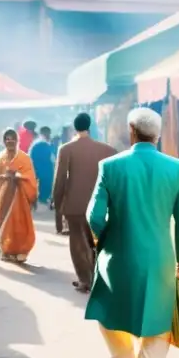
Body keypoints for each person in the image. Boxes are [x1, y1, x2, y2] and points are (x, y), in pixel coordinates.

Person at [86, 108, 179, 358]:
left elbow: (94, 216)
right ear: (157, 134)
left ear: (131, 131)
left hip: (117, 258)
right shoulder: (176, 168)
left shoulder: (110, 166)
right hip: (160, 260)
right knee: (158, 326)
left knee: (108, 316)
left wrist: (104, 241)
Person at [52, 113, 115, 294]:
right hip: (100, 205)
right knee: (98, 242)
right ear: (90, 126)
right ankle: (100, 277)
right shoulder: (108, 150)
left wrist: (58, 204)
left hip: (75, 204)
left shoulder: (66, 149)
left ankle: (85, 280)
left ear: (74, 127)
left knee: (78, 243)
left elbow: (60, 180)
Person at [0, 129, 37, 263]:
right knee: (4, 224)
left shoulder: (24, 158)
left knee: (20, 224)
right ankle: (6, 250)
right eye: (7, 138)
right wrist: (5, 177)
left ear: (17, 140)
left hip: (20, 197)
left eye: (12, 138)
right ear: (4, 141)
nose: (10, 141)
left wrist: (18, 177)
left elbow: (30, 177)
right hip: (3, 198)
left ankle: (21, 250)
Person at [29, 126, 55, 207]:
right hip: (43, 169)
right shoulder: (44, 144)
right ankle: (42, 198)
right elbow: (51, 158)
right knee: (47, 182)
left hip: (35, 168)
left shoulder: (36, 142)